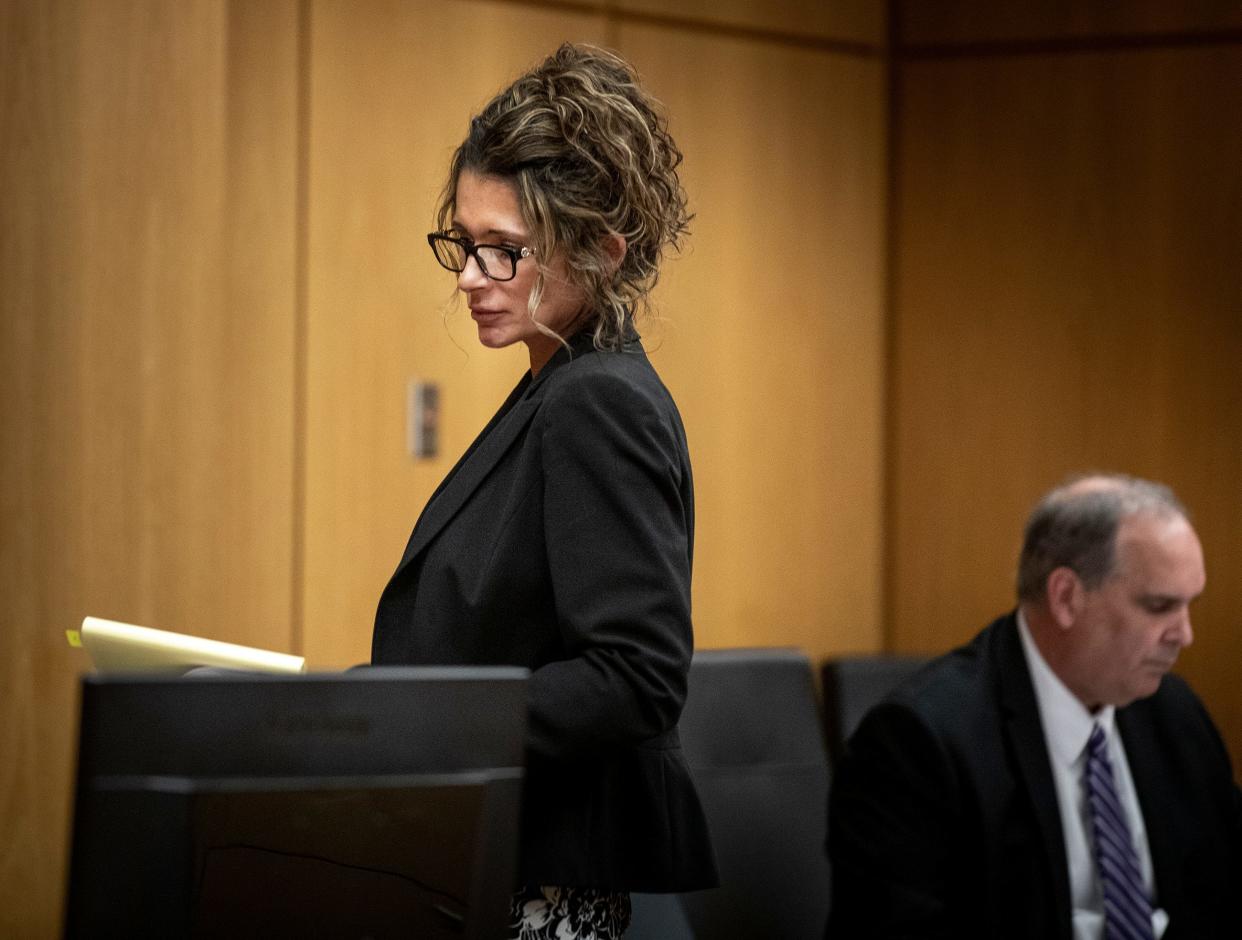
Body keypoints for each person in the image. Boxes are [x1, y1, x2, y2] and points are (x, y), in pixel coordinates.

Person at [371, 43, 717, 939]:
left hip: (543, 879)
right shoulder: (558, 383)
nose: (469, 279)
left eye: (504, 252)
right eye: (464, 243)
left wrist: (419, 718)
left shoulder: (595, 399)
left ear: (602, 251)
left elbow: (636, 675)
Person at [827, 473, 1242, 939]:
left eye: (1190, 607)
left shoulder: (1174, 716)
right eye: (1159, 606)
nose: (1184, 635)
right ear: (1066, 597)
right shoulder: (921, 742)